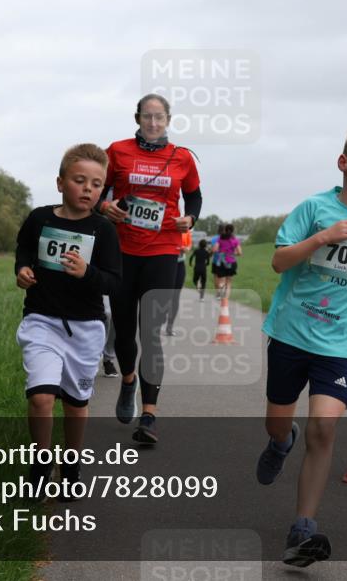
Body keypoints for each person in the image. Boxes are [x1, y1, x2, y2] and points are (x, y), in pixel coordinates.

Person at [255, 121, 347, 567]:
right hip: (291, 333)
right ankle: (281, 443)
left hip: (341, 342)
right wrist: (322, 238)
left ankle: (303, 529)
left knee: (324, 427)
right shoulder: (314, 208)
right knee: (278, 425)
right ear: (344, 164)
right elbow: (278, 261)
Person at [14, 144, 122, 499]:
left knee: (76, 404)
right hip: (42, 321)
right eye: (80, 181)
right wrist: (23, 270)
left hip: (86, 329)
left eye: (96, 184)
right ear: (61, 183)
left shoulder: (103, 231)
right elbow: (24, 251)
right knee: (42, 398)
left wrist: (87, 273)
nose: (88, 189)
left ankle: (71, 464)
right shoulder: (40, 219)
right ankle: (40, 465)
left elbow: (112, 282)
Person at [99, 93, 202, 445]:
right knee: (125, 330)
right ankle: (128, 380)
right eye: (147, 117)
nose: (154, 123)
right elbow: (100, 188)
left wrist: (190, 218)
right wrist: (104, 205)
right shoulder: (117, 150)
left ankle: (150, 415)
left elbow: (195, 197)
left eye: (160, 118)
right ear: (138, 118)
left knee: (151, 332)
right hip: (123, 250)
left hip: (163, 249)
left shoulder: (183, 158)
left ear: (168, 120)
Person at [164, 230, 192, 336]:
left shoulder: (186, 230)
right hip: (164, 264)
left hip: (179, 264)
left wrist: (185, 249)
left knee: (175, 296)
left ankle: (170, 327)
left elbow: (189, 246)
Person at [212, 223, 241, 300]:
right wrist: (232, 253)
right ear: (233, 231)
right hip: (231, 262)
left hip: (221, 262)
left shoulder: (220, 239)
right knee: (229, 282)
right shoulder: (235, 240)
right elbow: (240, 253)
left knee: (221, 280)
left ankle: (220, 290)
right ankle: (226, 300)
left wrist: (221, 251)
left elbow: (214, 250)